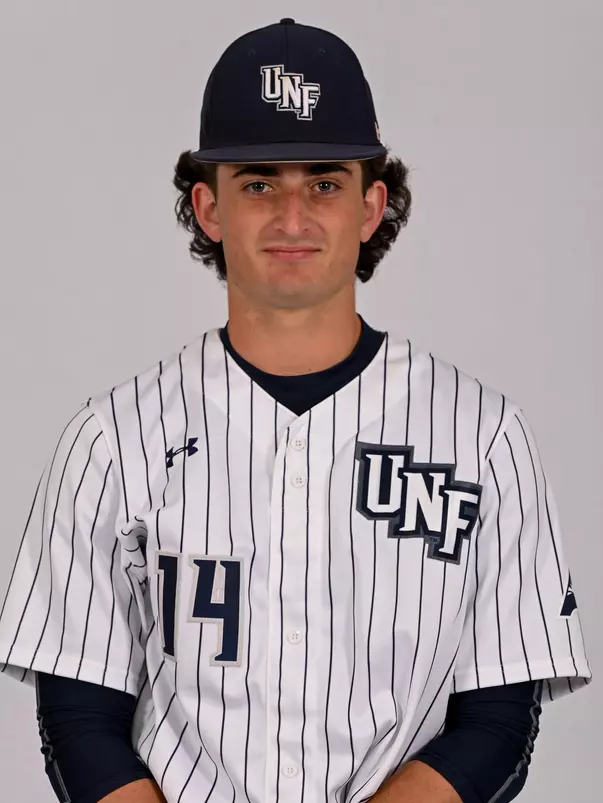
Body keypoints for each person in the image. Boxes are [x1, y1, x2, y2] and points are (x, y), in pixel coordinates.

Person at [0, 17, 592, 803]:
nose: (291, 216)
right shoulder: (111, 439)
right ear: (208, 208)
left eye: (322, 181)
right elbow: (79, 717)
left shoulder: (482, 436)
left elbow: (497, 720)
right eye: (257, 182)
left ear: (370, 204)